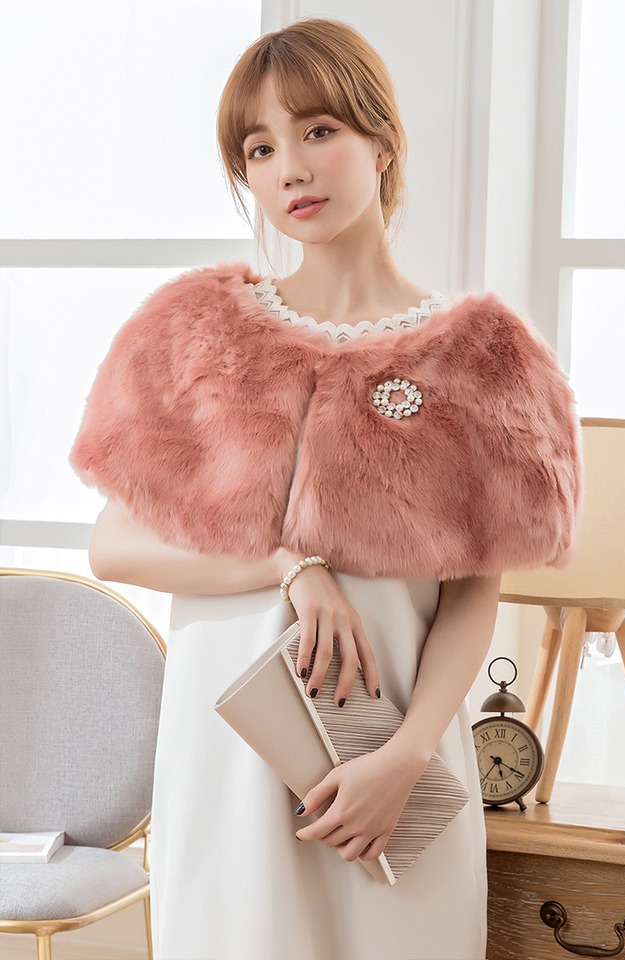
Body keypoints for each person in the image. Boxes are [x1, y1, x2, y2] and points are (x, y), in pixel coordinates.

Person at [70, 18, 582, 960]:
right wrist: (291, 567)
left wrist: (409, 758)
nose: (290, 170)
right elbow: (114, 545)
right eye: (259, 149)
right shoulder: (194, 332)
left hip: (393, 764)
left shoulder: (485, 355)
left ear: (382, 142)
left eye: (317, 131)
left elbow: (475, 589)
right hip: (228, 766)